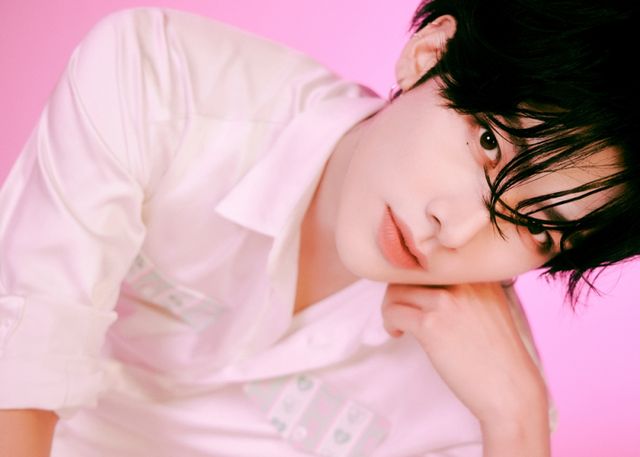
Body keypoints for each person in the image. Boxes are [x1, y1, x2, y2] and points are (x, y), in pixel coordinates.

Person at [0, 0, 636, 456]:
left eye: (536, 227)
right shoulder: (163, 86)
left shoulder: (485, 388)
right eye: (490, 143)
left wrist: (518, 422)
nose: (458, 229)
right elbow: (21, 365)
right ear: (429, 55)